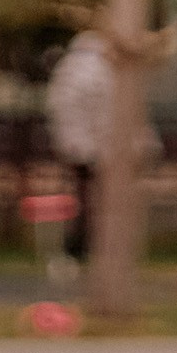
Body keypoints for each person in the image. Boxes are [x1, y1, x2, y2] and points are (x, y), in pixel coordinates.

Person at [46, 26, 115, 262]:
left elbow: (57, 108)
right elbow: (105, 112)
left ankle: (75, 243)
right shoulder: (100, 70)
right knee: (98, 199)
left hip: (71, 145)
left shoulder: (66, 68)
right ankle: (91, 244)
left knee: (78, 197)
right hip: (94, 146)